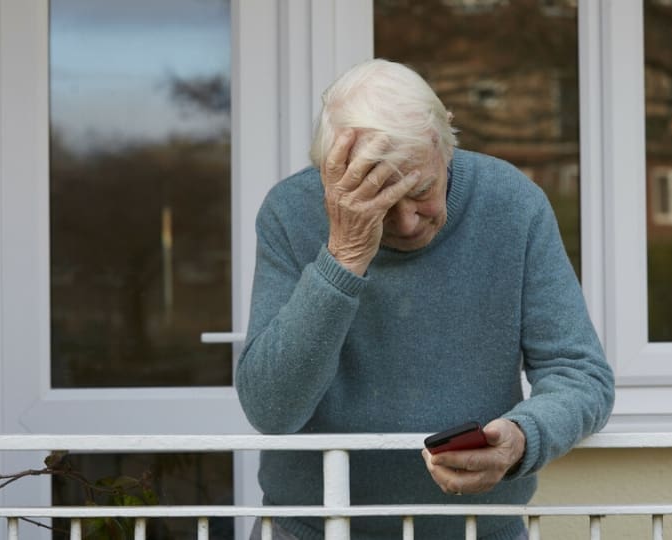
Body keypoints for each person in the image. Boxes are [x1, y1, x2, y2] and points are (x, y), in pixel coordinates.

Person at [235, 58, 615, 540]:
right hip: (314, 529)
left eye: (420, 191)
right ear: (331, 176)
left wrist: (521, 438)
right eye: (379, 205)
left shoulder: (512, 203)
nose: (409, 222)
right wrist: (344, 256)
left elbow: (580, 375)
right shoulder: (289, 211)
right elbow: (271, 408)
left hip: (480, 530)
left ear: (444, 141)